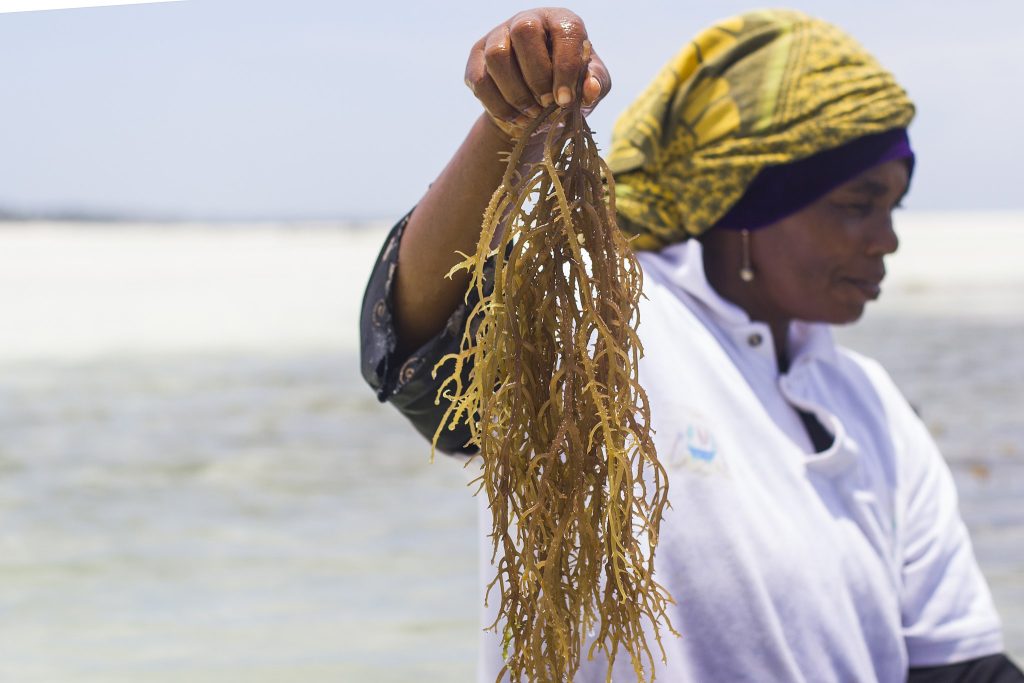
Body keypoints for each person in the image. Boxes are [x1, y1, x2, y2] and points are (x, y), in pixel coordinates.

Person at [360, 8, 1023, 682]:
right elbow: (413, 346)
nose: (887, 240)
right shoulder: (604, 323)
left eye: (894, 207)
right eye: (857, 203)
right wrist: (508, 130)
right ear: (748, 197)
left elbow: (957, 667)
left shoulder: (873, 405)